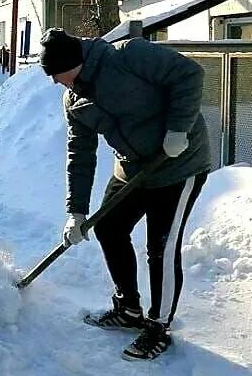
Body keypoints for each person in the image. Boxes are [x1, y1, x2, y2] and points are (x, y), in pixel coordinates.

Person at [41, 28, 211, 361]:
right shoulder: (74, 100)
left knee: (160, 246)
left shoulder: (127, 56)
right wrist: (75, 211)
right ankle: (129, 308)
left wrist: (178, 129)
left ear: (73, 63)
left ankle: (158, 326)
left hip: (179, 161)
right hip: (133, 168)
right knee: (108, 228)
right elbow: (81, 153)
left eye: (57, 74)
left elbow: (190, 74)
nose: (56, 83)